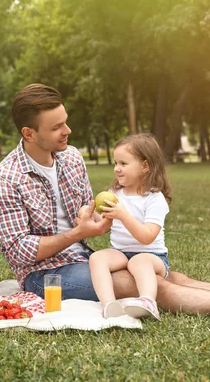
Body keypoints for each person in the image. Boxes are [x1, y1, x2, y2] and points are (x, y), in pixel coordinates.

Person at [0, 83, 210, 318]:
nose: (68, 130)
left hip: (86, 257)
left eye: (65, 121)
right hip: (45, 276)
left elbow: (89, 216)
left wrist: (99, 221)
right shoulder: (4, 180)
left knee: (172, 277)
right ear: (29, 133)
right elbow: (20, 253)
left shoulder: (71, 158)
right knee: (145, 286)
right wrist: (78, 233)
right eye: (56, 127)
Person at [88, 134, 171, 320]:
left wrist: (123, 215)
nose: (117, 169)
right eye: (115, 163)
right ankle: (109, 304)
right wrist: (90, 216)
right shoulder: (115, 193)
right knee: (97, 258)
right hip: (121, 252)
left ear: (145, 166)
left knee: (139, 261)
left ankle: (149, 302)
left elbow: (147, 237)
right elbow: (105, 221)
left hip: (152, 256)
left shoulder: (154, 199)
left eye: (124, 164)